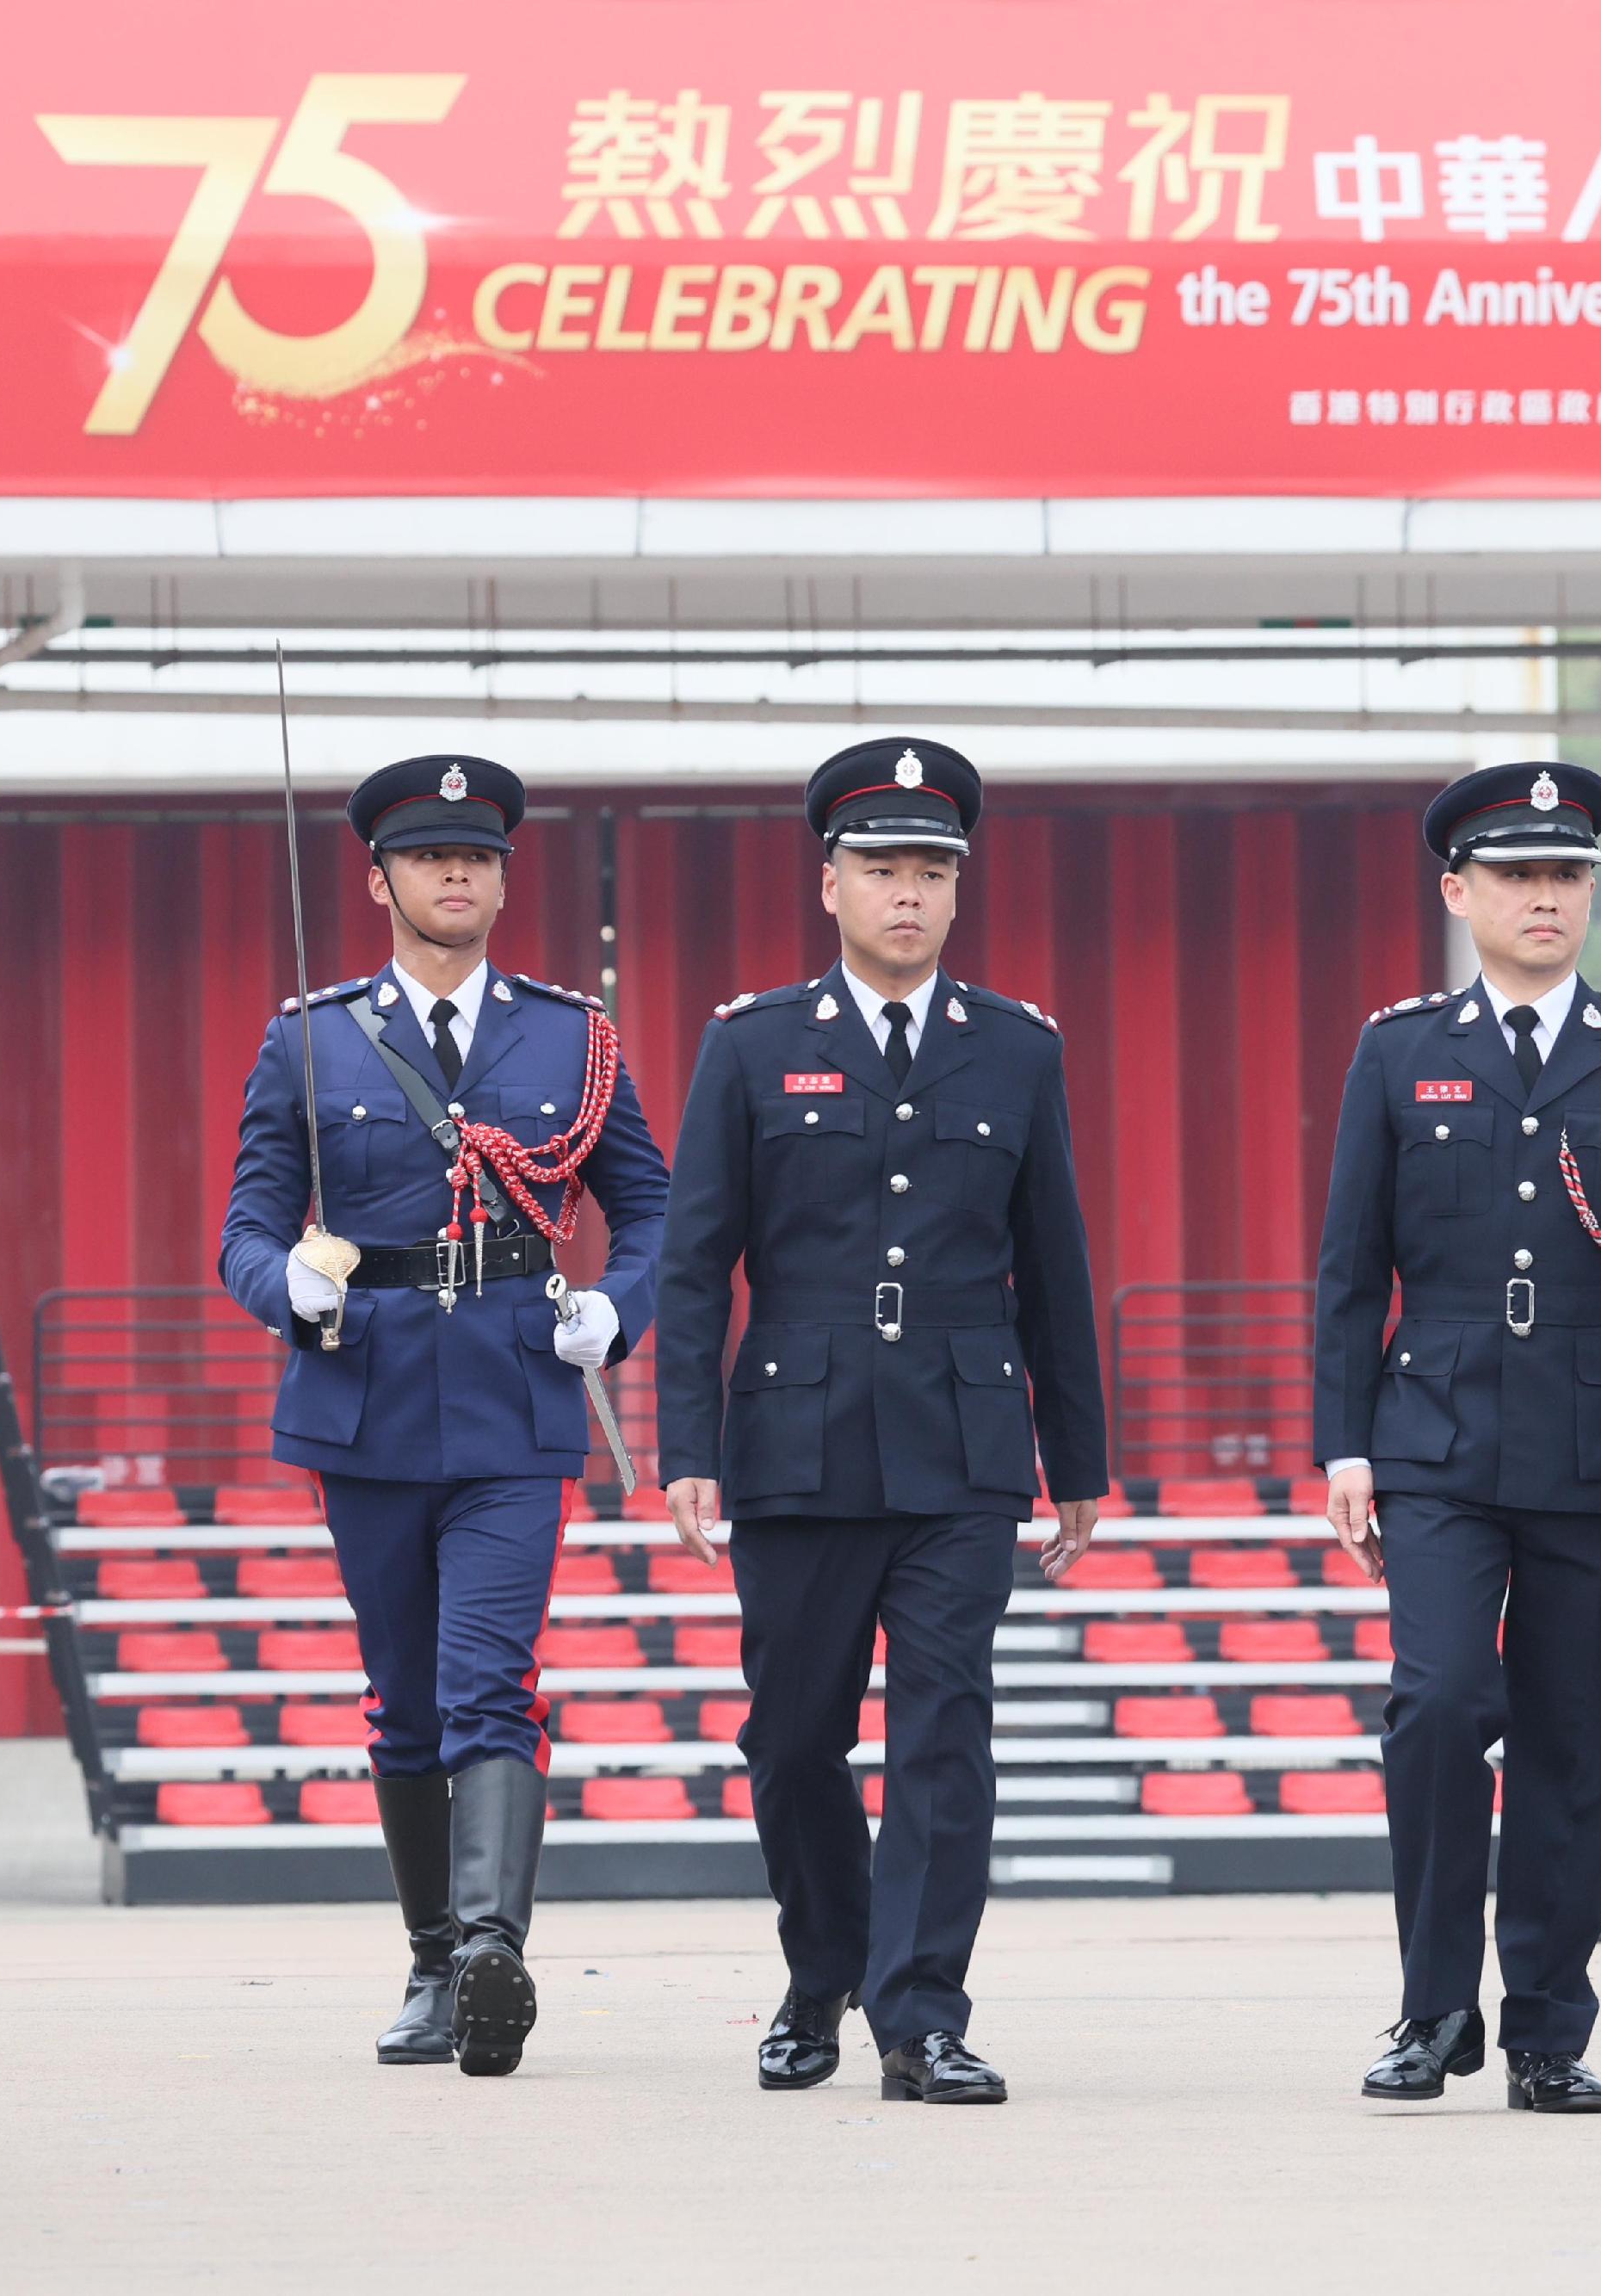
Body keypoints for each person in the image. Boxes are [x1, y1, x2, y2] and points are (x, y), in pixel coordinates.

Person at [656, 739, 1106, 2107]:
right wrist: (684, 1444)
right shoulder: (751, 1044)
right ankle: (822, 1970)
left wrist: (1076, 1457)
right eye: (882, 869)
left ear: (958, 892)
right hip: (794, 1445)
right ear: (830, 883)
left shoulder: (1019, 1050)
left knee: (944, 1728)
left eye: (931, 871)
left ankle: (921, 2014)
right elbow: (693, 1262)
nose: (907, 893)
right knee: (793, 1737)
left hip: (962, 1448)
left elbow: (1057, 1264)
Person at [219, 752, 670, 2077]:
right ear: (380, 879)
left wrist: (618, 1308)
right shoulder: (308, 1036)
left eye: (477, 856)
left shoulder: (570, 1035)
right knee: (403, 1698)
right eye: (427, 856)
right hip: (361, 1398)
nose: (457, 873)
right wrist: (285, 1286)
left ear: (502, 878)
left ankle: (491, 1950)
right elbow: (247, 1221)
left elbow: (648, 1204)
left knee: (489, 1679)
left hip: (516, 1398)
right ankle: (431, 1957)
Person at [1314, 760, 1601, 2115]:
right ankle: (1433, 2006)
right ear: (1460, 891)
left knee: (1574, 1734)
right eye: (1515, 875)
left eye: (1565, 875)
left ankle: (1549, 2022)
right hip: (1433, 1429)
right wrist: (1344, 1441)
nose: (1544, 896)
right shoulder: (1401, 1048)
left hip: (1597, 1434)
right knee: (1438, 1705)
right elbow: (1348, 1267)